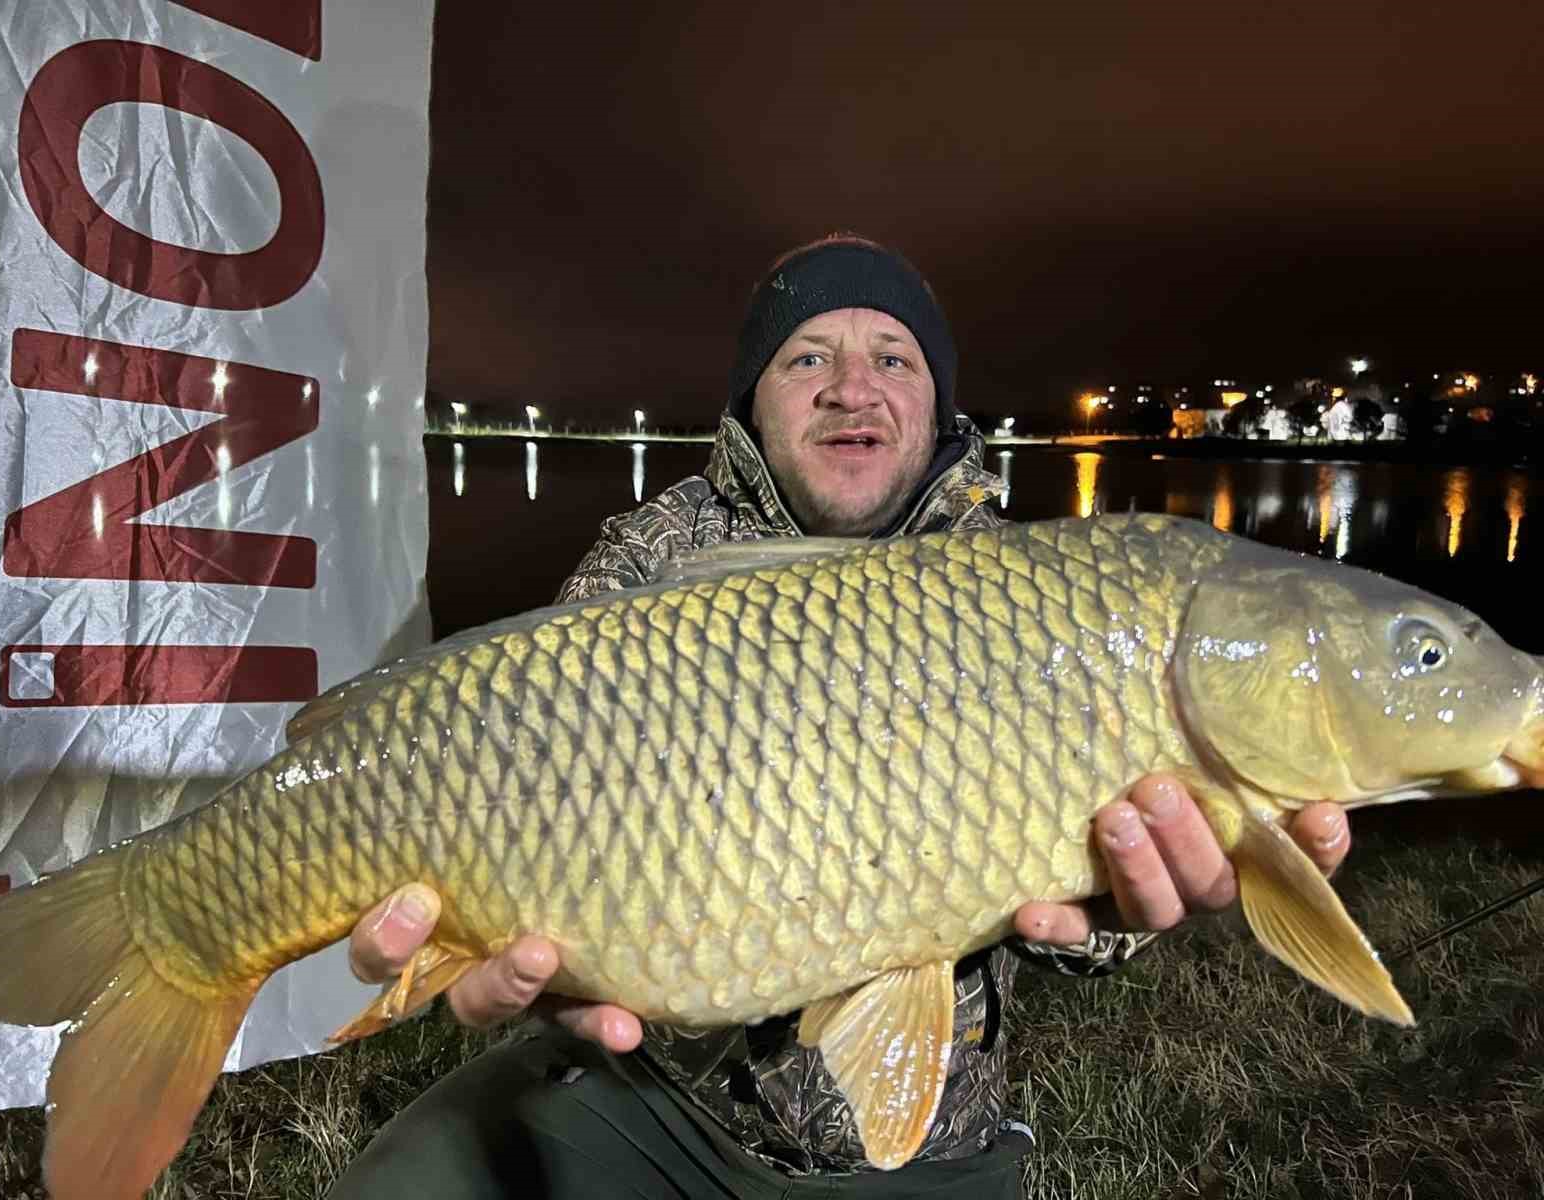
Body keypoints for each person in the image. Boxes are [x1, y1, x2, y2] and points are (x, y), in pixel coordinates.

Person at [328, 236, 1351, 1198]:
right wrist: (478, 940)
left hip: (926, 1143)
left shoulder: (1040, 597)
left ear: (934, 405)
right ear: (753, 406)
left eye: (893, 359)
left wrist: (1124, 914)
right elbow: (518, 799)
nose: (851, 386)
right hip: (657, 1092)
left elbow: (1083, 899)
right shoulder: (649, 568)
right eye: (806, 357)